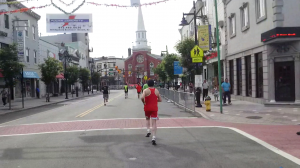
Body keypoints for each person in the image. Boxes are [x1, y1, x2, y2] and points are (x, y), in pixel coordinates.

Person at [141, 80, 162, 146]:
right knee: (154, 122)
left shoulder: (145, 90)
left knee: (147, 119)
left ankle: (148, 130)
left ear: (148, 84)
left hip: (147, 107)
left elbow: (142, 97)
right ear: (154, 84)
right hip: (154, 108)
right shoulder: (156, 91)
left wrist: (144, 102)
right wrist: (155, 100)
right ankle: (154, 137)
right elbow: (160, 100)